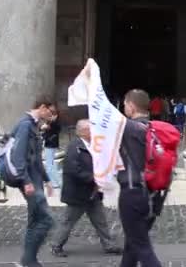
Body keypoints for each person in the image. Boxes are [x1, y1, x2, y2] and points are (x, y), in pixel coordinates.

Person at [51, 119, 121, 257]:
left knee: (100, 221)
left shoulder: (90, 145)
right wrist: (93, 178)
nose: (94, 131)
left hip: (91, 192)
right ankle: (56, 245)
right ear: (83, 132)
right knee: (68, 221)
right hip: (78, 194)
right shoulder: (74, 147)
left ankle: (109, 245)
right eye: (91, 129)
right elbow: (73, 170)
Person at [118, 89, 162, 266]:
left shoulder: (128, 127)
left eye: (124, 104)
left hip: (133, 193)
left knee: (142, 247)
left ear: (131, 105)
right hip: (154, 194)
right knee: (133, 243)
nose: (123, 108)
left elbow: (103, 114)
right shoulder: (156, 128)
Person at [11, 96, 56, 267]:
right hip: (29, 180)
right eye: (50, 112)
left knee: (35, 219)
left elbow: (36, 158)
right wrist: (25, 181)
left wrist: (47, 180)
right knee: (47, 220)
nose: (51, 116)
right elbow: (18, 156)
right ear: (42, 107)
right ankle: (29, 259)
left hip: (35, 179)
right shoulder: (25, 125)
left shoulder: (33, 126)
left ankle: (28, 260)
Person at [41, 106, 61, 189]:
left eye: (49, 115)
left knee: (50, 164)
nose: (48, 117)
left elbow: (50, 132)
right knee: (51, 164)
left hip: (50, 144)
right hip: (51, 144)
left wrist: (45, 129)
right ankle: (54, 181)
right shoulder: (52, 122)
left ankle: (53, 182)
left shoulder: (53, 123)